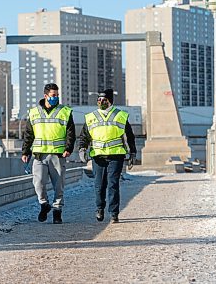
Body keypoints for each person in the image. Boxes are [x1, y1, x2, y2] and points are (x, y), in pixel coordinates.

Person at [78, 89, 136, 224]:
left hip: (116, 155)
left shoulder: (121, 115)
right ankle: (99, 208)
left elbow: (130, 136)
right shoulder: (91, 117)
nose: (101, 102)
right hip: (98, 156)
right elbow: (84, 136)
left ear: (110, 101)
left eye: (104, 99)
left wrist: (132, 152)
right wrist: (82, 149)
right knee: (99, 185)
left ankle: (114, 212)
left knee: (113, 184)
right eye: (99, 99)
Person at [21, 83, 76, 224]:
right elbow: (28, 134)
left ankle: (57, 212)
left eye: (57, 95)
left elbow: (71, 133)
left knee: (59, 186)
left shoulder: (65, 111)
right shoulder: (34, 112)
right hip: (39, 155)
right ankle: (44, 204)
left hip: (58, 155)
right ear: (45, 96)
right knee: (38, 183)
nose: (56, 98)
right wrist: (25, 151)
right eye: (53, 95)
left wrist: (68, 148)